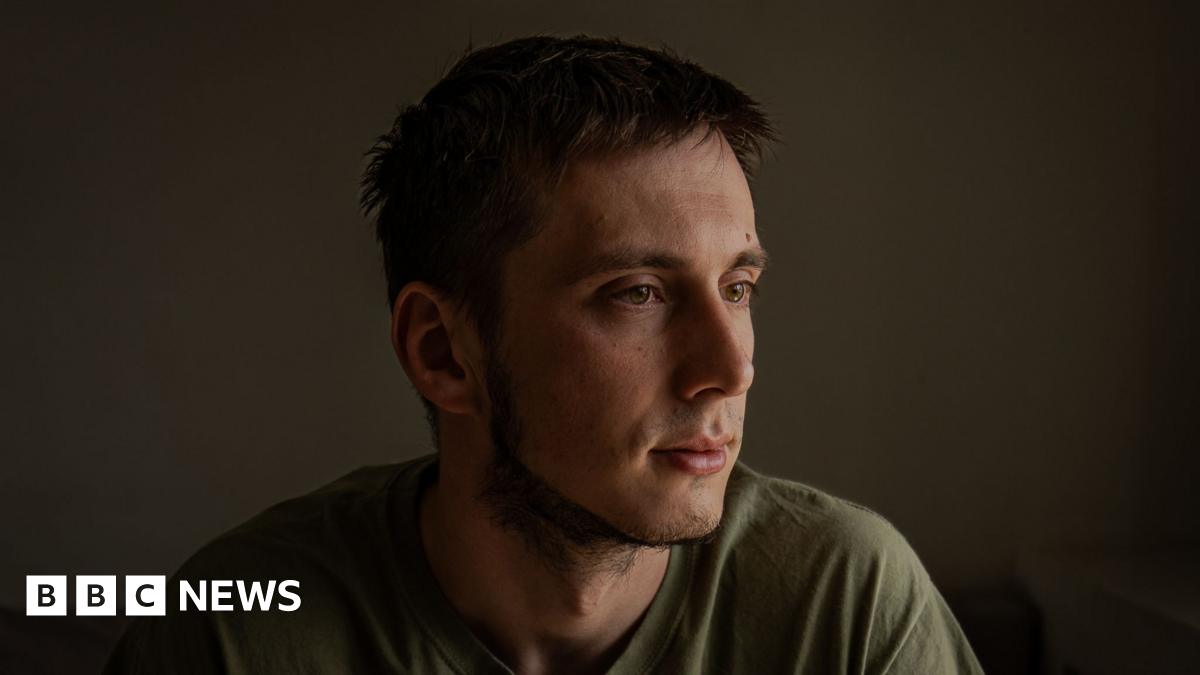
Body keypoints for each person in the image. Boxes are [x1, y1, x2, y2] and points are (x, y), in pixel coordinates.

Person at [105, 35, 984, 674]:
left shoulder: (845, 604)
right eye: (637, 292)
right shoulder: (232, 630)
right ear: (444, 351)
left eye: (738, 287)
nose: (731, 366)